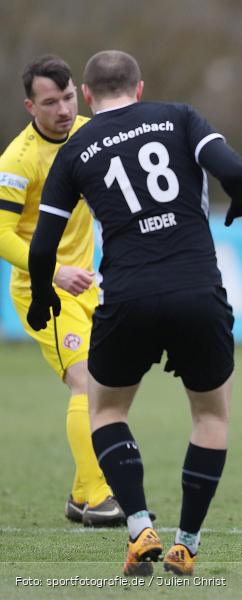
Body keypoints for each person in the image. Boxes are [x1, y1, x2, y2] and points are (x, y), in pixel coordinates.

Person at [27, 50, 242, 576]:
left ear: (86, 95)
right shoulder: (180, 117)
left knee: (106, 410)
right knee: (210, 416)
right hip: (197, 291)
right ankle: (187, 543)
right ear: (139, 88)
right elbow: (231, 168)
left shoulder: (75, 149)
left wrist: (44, 295)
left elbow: (44, 246)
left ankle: (138, 528)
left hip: (128, 296)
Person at [0, 55, 124, 526]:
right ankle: (97, 497)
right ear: (31, 106)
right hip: (42, 292)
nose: (63, 110)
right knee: (86, 381)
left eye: (69, 97)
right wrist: (52, 272)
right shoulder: (18, 160)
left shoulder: (92, 134)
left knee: (109, 384)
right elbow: (1, 234)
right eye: (50, 102)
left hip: (86, 285)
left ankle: (78, 494)